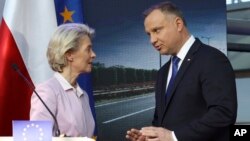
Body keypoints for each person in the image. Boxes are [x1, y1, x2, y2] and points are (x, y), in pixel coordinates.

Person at [126, 1, 237, 141]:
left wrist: (173, 137)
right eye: (149, 34)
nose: (152, 40)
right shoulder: (162, 73)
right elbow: (160, 121)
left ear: (178, 24)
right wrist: (149, 137)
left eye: (156, 30)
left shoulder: (212, 59)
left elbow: (223, 113)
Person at [30, 23, 96, 138]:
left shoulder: (83, 95)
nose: (93, 55)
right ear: (69, 55)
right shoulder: (47, 92)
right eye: (88, 50)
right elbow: (34, 138)